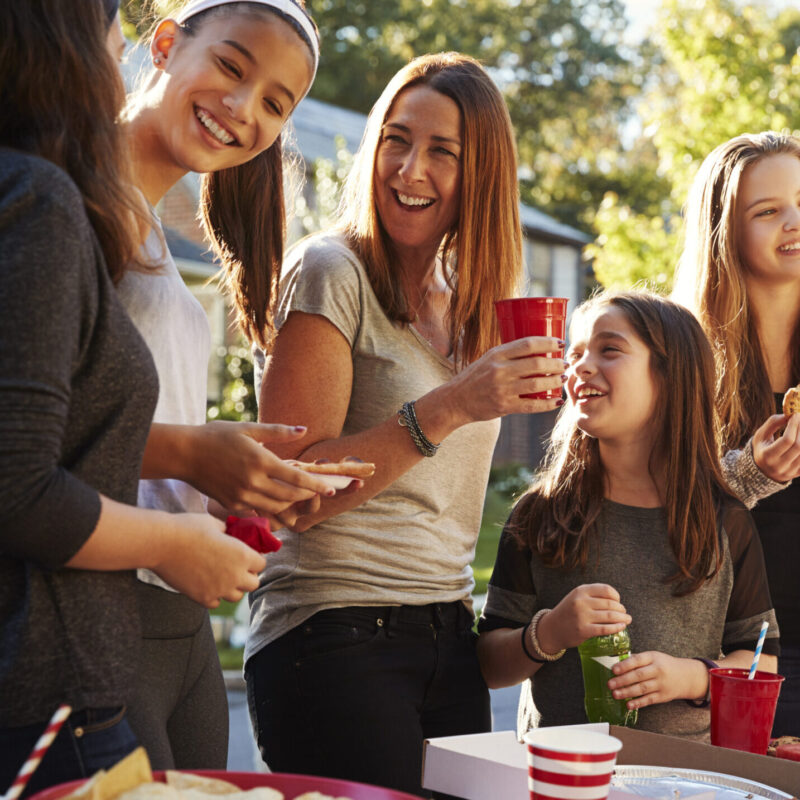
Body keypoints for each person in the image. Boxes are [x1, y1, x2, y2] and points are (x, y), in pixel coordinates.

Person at [244, 52, 567, 797]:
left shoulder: (472, 307)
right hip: (332, 634)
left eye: (442, 152)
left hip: (449, 637)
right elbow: (293, 495)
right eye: (396, 139)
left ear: (480, 175)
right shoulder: (331, 271)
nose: (409, 169)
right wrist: (450, 404)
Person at [0, 1, 265, 794]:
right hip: (47, 693)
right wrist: (173, 541)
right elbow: (17, 484)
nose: (115, 57)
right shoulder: (41, 201)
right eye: (112, 33)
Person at [117, 0, 330, 769]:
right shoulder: (63, 203)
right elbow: (33, 439)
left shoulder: (154, 240)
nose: (243, 109)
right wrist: (193, 455)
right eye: (232, 67)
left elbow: (128, 427)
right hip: (96, 607)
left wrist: (231, 487)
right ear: (165, 43)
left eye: (276, 103)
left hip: (180, 621)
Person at [476, 291, 778, 741]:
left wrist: (691, 678)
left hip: (683, 781)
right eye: (574, 353)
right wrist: (551, 632)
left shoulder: (724, 520)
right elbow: (489, 665)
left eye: (609, 349)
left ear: (672, 377)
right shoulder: (538, 515)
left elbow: (760, 660)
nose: (579, 366)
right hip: (558, 772)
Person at [673, 131, 800, 736]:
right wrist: (751, 474)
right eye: (769, 211)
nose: (794, 222)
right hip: (731, 665)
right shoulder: (678, 364)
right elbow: (656, 512)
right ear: (725, 232)